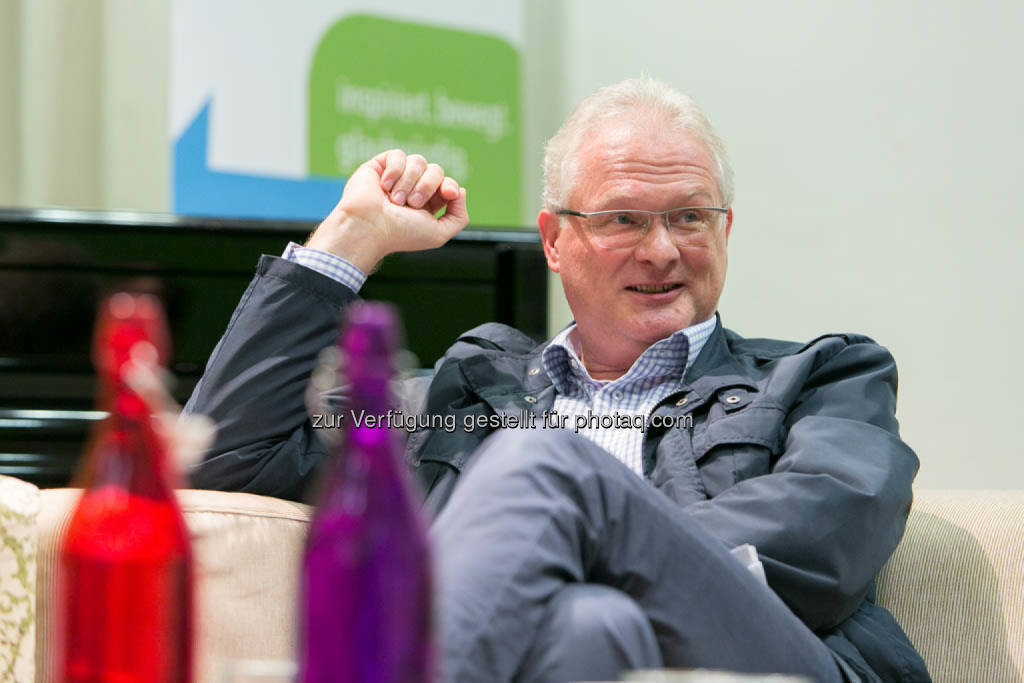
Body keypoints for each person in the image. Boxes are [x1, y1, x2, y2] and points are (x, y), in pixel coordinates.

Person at [185, 78, 930, 682]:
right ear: (553, 240)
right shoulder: (463, 393)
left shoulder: (822, 375)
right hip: (570, 653)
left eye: (690, 217)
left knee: (542, 460)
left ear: (724, 231)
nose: (663, 249)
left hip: (769, 657)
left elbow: (826, 539)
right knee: (587, 626)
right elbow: (227, 456)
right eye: (624, 221)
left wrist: (570, 523)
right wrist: (351, 237)